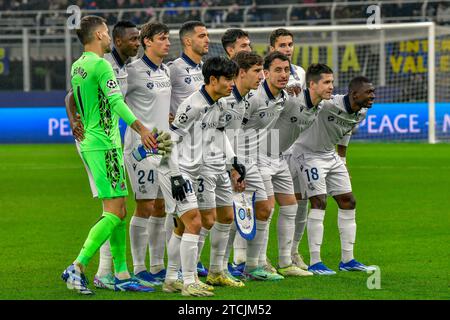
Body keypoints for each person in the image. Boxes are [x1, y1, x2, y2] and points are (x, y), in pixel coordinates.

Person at [61, 15, 158, 294]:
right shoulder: (102, 65)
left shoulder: (78, 66)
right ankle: (77, 266)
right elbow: (116, 101)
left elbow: (77, 98)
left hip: (94, 142)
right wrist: (141, 130)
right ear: (100, 35)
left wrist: (74, 119)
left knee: (119, 210)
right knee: (114, 213)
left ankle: (121, 274)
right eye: (105, 33)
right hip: (104, 144)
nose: (106, 37)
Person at [162, 57, 241, 296]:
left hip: (195, 170)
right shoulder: (192, 105)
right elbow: (169, 140)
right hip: (175, 169)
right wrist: (175, 176)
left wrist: (233, 160)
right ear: (213, 80)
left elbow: (219, 133)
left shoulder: (219, 104)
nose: (232, 84)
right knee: (194, 222)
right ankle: (188, 282)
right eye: (228, 79)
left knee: (181, 227)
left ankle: (170, 279)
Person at [291, 76, 376, 275]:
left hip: (331, 155)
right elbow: (309, 101)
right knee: (319, 202)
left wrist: (343, 161)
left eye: (373, 92)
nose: (373, 96)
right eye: (369, 93)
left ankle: (348, 260)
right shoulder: (328, 104)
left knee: (348, 201)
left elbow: (345, 131)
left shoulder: (361, 112)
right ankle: (315, 262)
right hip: (307, 154)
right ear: (355, 94)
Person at [238, 51, 309, 277]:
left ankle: (285, 262)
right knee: (264, 209)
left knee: (290, 205)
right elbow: (232, 126)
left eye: (287, 70)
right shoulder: (254, 97)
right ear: (265, 73)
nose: (283, 74)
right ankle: (255, 263)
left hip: (275, 157)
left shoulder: (284, 98)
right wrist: (234, 162)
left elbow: (296, 116)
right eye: (277, 70)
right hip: (249, 159)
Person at [219, 51, 283, 281]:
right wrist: (231, 166)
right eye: (257, 72)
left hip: (248, 160)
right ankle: (220, 268)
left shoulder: (249, 97)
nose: (260, 77)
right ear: (241, 73)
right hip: (227, 163)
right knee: (226, 216)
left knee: (264, 208)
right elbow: (219, 135)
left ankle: (253, 266)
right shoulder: (225, 100)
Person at [123, 21, 172, 287]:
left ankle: (156, 266)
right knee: (145, 205)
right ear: (147, 42)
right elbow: (112, 98)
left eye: (168, 38)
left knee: (163, 206)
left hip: (164, 146)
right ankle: (139, 267)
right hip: (140, 150)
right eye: (162, 38)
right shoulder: (132, 71)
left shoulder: (165, 70)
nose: (167, 42)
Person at [167, 20, 210, 277]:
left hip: (202, 149)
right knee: (179, 218)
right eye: (202, 36)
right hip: (178, 151)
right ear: (187, 41)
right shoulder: (174, 69)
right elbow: (158, 98)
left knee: (198, 218)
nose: (207, 40)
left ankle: (187, 266)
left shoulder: (206, 69)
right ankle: (170, 271)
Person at [269, 28, 309, 271]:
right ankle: (250, 257)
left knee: (300, 199)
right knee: (263, 203)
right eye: (282, 45)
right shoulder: (266, 73)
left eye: (290, 44)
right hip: (271, 143)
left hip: (295, 145)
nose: (287, 49)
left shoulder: (301, 73)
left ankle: (293, 252)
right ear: (272, 47)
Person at [220, 27, 252, 274]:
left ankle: (239, 261)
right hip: (215, 158)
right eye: (243, 46)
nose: (248, 50)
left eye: (249, 45)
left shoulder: (250, 88)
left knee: (241, 208)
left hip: (242, 156)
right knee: (211, 215)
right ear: (230, 51)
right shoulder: (221, 90)